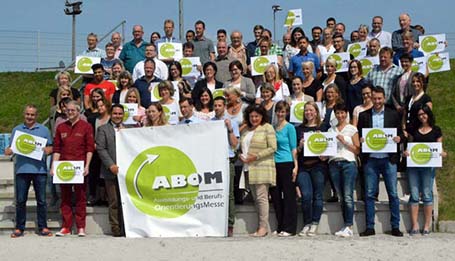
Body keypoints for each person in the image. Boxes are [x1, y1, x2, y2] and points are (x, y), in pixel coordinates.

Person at [357, 86, 404, 237]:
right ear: (370, 98)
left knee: (393, 193)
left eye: (379, 98)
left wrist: (399, 139)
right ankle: (370, 227)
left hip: (388, 159)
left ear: (384, 98)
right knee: (369, 194)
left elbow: (401, 134)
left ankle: (395, 226)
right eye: (374, 98)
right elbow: (359, 135)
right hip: (371, 160)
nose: (377, 101)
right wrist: (361, 140)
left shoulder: (392, 114)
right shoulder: (364, 115)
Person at [5, 105, 53, 238]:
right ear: (24, 115)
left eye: (32, 115)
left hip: (40, 170)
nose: (30, 117)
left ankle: (43, 226)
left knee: (42, 201)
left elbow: (51, 146)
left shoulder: (44, 130)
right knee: (20, 200)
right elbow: (10, 148)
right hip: (22, 169)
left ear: (36, 116)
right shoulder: (17, 130)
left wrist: (48, 150)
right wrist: (8, 151)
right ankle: (20, 227)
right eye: (27, 114)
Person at [52, 101, 94, 237]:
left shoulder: (86, 127)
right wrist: (54, 165)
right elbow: (57, 148)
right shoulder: (60, 127)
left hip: (79, 167)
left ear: (78, 111)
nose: (70, 113)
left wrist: (87, 165)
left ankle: (81, 226)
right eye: (68, 110)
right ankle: (66, 226)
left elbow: (89, 148)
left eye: (73, 110)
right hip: (64, 167)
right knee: (65, 197)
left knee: (80, 197)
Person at [404, 104, 446, 236]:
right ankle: (415, 225)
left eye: (424, 114)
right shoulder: (414, 130)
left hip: (428, 167)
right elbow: (409, 146)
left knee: (427, 195)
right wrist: (406, 152)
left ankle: (427, 225)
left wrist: (442, 154)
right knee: (414, 195)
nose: (422, 116)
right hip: (414, 167)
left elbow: (440, 148)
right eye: (420, 114)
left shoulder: (436, 130)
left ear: (429, 114)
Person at [240, 104, 277, 237]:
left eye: (257, 116)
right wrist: (241, 155)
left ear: (262, 116)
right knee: (256, 199)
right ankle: (261, 227)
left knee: (262, 198)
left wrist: (255, 156)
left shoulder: (267, 128)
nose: (254, 119)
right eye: (251, 116)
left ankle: (262, 227)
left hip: (262, 166)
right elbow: (241, 147)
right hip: (249, 168)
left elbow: (273, 147)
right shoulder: (246, 131)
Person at [328, 103, 360, 237]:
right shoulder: (330, 130)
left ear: (346, 113)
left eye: (342, 113)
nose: (340, 115)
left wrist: (345, 141)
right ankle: (345, 225)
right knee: (341, 196)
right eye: (337, 113)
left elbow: (357, 149)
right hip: (334, 163)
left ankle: (349, 225)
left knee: (347, 196)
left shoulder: (352, 129)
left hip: (348, 163)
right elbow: (327, 149)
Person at [295, 101, 327, 237]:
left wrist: (324, 154)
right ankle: (307, 223)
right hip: (303, 167)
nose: (309, 113)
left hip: (319, 166)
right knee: (306, 195)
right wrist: (300, 146)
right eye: (306, 110)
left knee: (318, 195)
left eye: (311, 110)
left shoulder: (324, 127)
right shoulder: (298, 129)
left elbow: (330, 147)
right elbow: (295, 151)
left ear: (316, 112)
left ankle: (315, 223)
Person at [96, 104, 126, 237]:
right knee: (114, 201)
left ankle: (127, 227)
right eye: (115, 114)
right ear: (111, 114)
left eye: (120, 114)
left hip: (127, 171)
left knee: (127, 201)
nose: (117, 116)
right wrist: (111, 165)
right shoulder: (103, 129)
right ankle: (116, 228)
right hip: (111, 171)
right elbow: (101, 149)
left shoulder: (129, 129)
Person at [211, 96, 240, 237]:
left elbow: (235, 145)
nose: (217, 108)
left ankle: (229, 224)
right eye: (215, 105)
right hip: (213, 161)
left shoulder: (232, 123)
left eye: (219, 105)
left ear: (224, 107)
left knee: (229, 194)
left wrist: (229, 129)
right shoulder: (209, 123)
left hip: (227, 160)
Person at [270, 101, 298, 237]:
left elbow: (294, 148)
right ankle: (280, 225)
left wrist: (296, 166)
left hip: (287, 163)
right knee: (275, 196)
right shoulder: (273, 128)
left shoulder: (290, 128)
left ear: (286, 113)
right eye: (278, 111)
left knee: (289, 196)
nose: (280, 114)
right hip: (274, 164)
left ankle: (290, 227)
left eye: (283, 111)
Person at [403, 73, 433, 139]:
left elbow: (428, 118)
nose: (415, 83)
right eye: (413, 81)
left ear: (423, 83)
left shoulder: (426, 98)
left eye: (418, 81)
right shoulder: (408, 98)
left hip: (418, 132)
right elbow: (404, 115)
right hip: (407, 132)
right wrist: (404, 129)